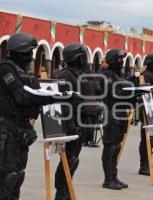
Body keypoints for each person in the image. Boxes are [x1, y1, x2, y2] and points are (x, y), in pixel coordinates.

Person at [0, 32, 71, 200]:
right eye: (29, 52)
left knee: (18, 175)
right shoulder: (5, 68)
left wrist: (60, 94)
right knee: (7, 176)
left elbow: (38, 92)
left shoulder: (26, 72)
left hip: (21, 130)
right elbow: (22, 96)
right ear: (20, 51)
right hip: (6, 129)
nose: (31, 56)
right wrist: (50, 97)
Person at [54, 44, 88, 200]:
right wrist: (70, 126)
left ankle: (67, 188)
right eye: (82, 56)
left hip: (79, 123)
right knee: (67, 161)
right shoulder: (65, 75)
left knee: (73, 160)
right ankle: (61, 192)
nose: (84, 59)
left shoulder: (77, 74)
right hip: (70, 126)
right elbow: (62, 103)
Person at [100, 49, 134, 190]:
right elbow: (112, 93)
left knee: (117, 146)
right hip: (111, 113)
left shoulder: (118, 75)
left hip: (121, 112)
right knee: (110, 147)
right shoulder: (105, 75)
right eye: (119, 59)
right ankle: (108, 179)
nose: (121, 62)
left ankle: (114, 176)